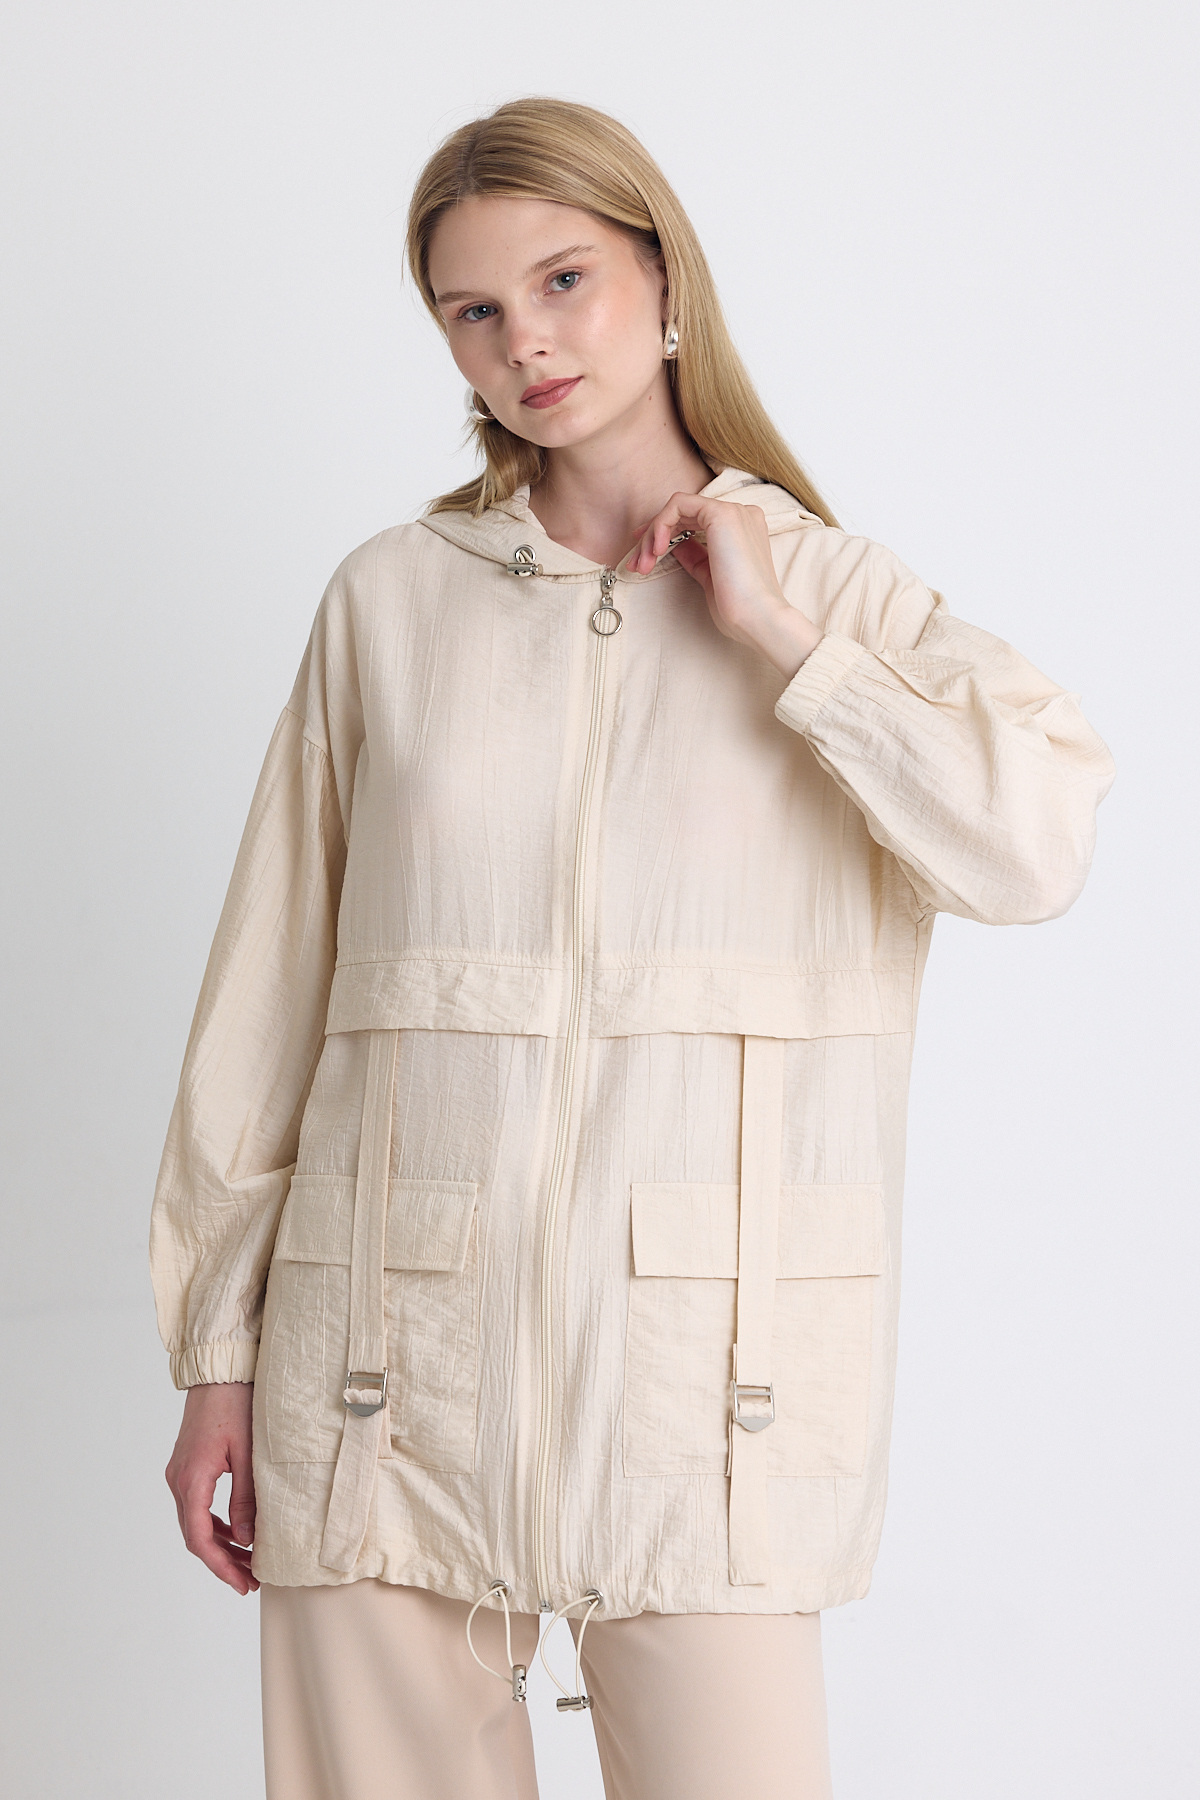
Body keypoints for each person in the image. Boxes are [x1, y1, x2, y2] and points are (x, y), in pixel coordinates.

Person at [151, 97, 1116, 1800]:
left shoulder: (839, 596)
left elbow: (1035, 844)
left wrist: (783, 638)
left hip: (712, 1399)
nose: (525, 342)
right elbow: (270, 993)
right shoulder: (389, 601)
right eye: (472, 308)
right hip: (383, 1373)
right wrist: (219, 1354)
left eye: (564, 280)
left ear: (666, 282)